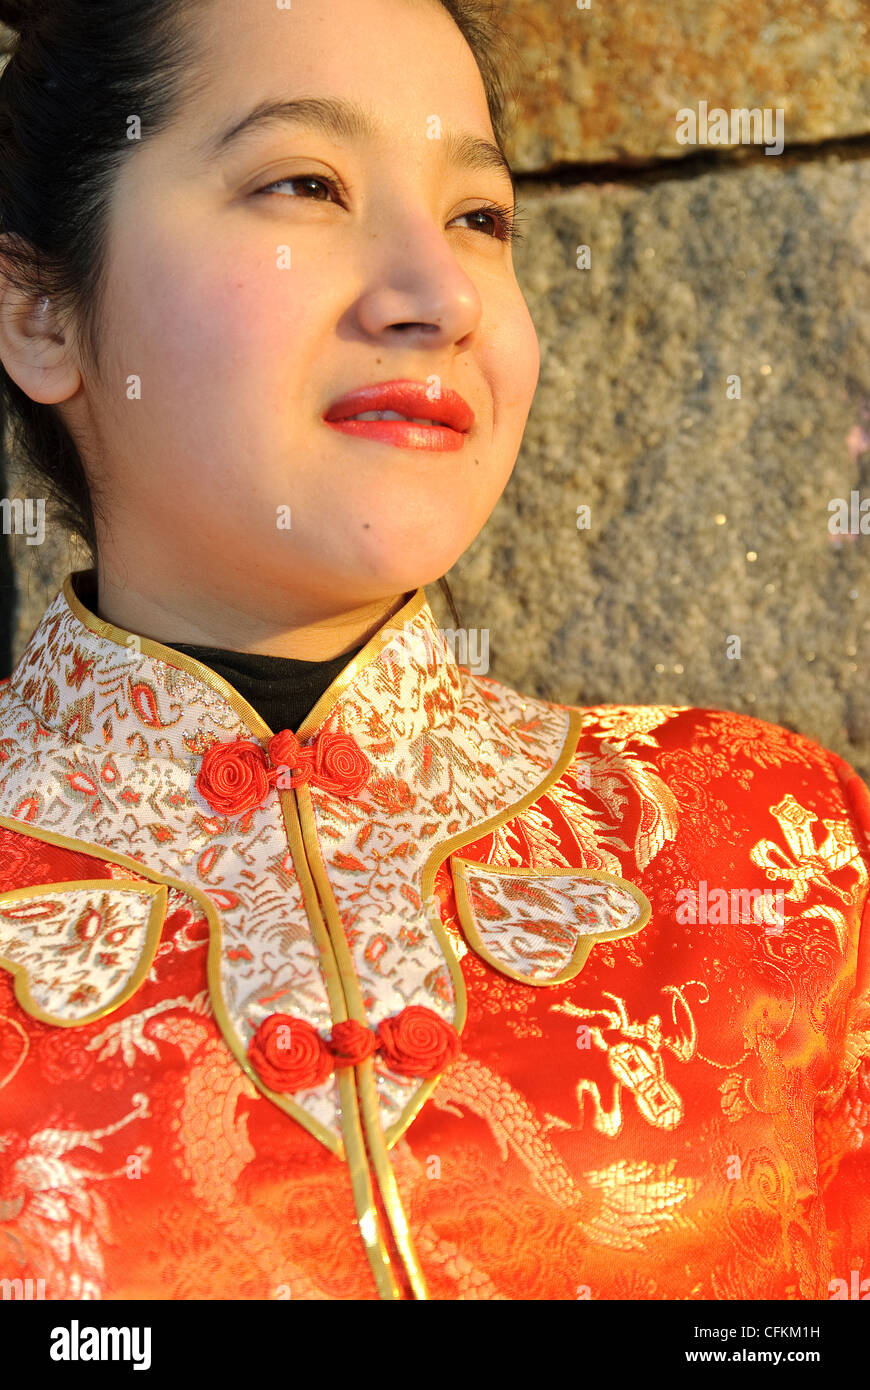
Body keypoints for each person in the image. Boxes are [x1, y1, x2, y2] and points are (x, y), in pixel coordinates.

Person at [0, 0, 866, 1303]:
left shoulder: (766, 843)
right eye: (305, 183)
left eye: (479, 218)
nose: (438, 294)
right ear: (41, 315)